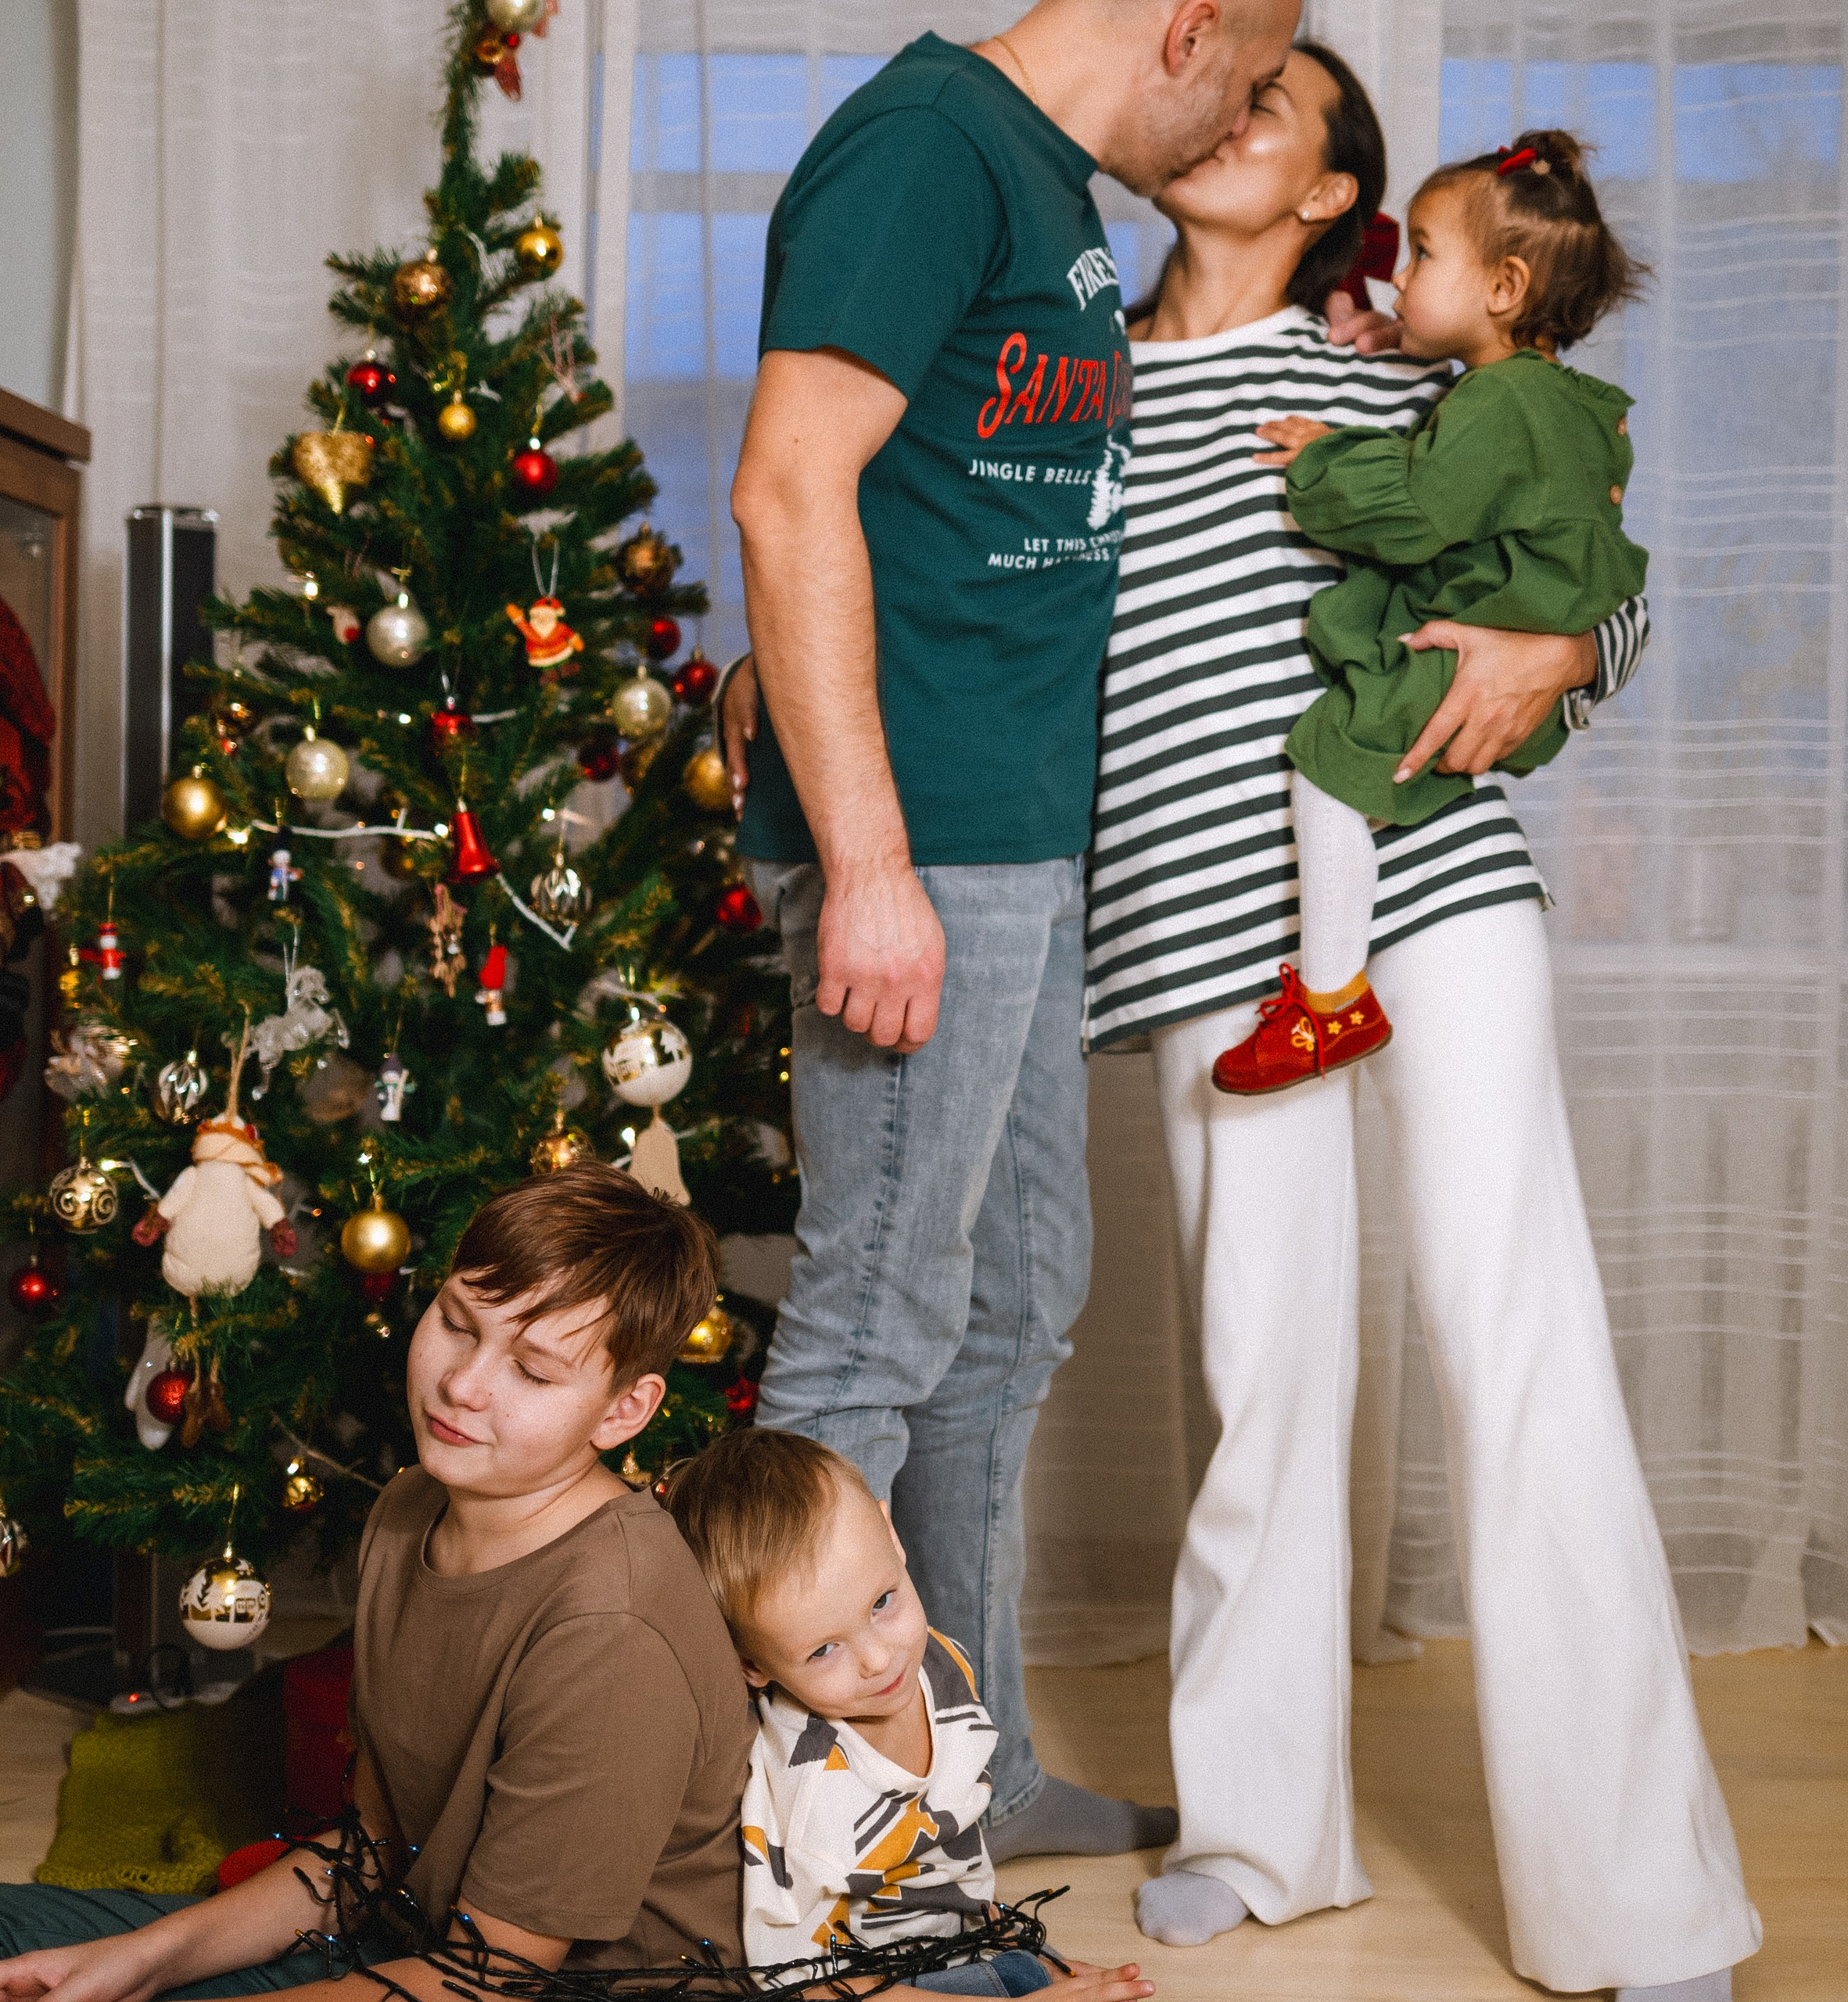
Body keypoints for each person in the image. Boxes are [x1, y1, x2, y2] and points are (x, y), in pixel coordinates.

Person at [1082, 43, 1759, 2002]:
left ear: (1330, 192)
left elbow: (1598, 583)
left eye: (1271, 100)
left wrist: (1558, 646)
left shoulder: (1405, 377)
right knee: (1260, 1372)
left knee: (1511, 1336)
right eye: (1212, 79)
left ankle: (1635, 1899)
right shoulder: (1080, 390)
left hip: (1433, 889)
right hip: (1201, 935)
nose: (1221, 101)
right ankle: (1254, 1831)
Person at [726, 0, 1305, 1865]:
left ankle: (965, 1776)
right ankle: (821, 1858)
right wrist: (865, 860)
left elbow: (930, 504)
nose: (1240, 116)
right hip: (925, 840)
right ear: (1187, 28)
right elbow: (786, 483)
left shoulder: (1050, 188)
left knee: (1011, 1296)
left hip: (1021, 841)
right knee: (872, 1318)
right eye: (1248, 79)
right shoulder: (926, 146)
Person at [0, 1162, 751, 2002]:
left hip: (532, 1987)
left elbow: (490, 1980)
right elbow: (369, 1851)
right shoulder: (411, 1507)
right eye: (458, 1323)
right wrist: (137, 1964)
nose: (461, 1385)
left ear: (624, 1410)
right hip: (413, 1945)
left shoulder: (613, 1631)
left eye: (531, 1371)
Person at [1212, 127, 1650, 1095]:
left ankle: (1330, 1001)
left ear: (1502, 287)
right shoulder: (1558, 401)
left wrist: (1320, 460)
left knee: (1327, 764)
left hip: (1473, 659)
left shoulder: (1497, 403)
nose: (1399, 278)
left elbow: (1416, 509)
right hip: (1516, 654)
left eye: (1422, 254)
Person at [664, 1427, 1151, 2002]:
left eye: (882, 1602)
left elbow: (952, 1860)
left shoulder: (941, 1663)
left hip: (946, 1947)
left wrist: (1020, 1951)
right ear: (752, 1665)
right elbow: (802, 1986)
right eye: (823, 1650)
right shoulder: (810, 1787)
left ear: (891, 1534)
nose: (878, 1660)